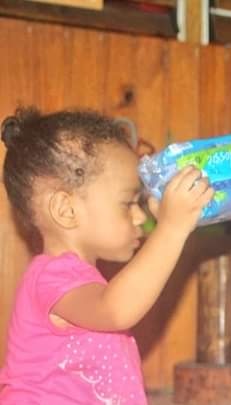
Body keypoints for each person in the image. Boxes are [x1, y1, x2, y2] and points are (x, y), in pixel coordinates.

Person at [0, 107, 213, 404]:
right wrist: (171, 229)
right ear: (66, 210)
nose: (139, 217)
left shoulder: (84, 281)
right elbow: (115, 310)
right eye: (127, 203)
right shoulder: (49, 277)